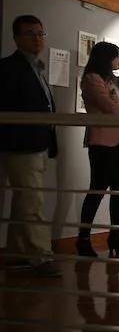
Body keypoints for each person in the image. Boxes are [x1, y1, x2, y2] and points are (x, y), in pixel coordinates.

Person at [0, 15, 61, 277]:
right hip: (19, 144)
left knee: (23, 199)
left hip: (37, 144)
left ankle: (16, 251)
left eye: (40, 33)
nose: (37, 38)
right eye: (30, 34)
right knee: (31, 199)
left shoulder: (38, 67)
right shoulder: (8, 67)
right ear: (16, 38)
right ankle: (41, 256)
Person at [76, 42, 119, 259]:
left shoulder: (116, 80)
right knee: (97, 190)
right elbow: (111, 108)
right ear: (107, 58)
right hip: (102, 142)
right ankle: (83, 239)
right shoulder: (93, 79)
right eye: (117, 56)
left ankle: (115, 237)